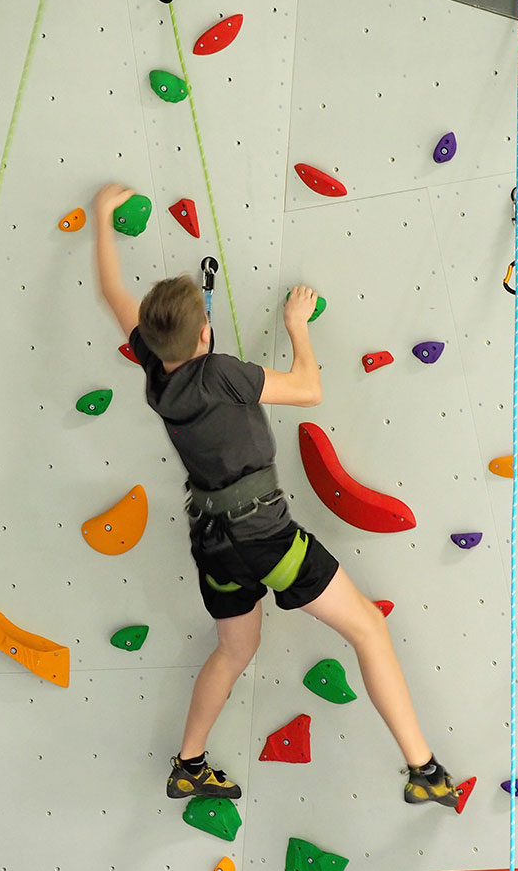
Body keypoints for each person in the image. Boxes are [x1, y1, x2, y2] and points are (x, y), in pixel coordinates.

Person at [93, 183, 460, 810]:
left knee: (236, 649)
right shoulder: (221, 373)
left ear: (151, 345)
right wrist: (297, 327)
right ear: (205, 333)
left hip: (213, 546)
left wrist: (102, 219)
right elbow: (308, 389)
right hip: (264, 537)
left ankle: (189, 763)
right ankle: (422, 767)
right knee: (369, 630)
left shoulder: (156, 377)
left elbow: (112, 293)